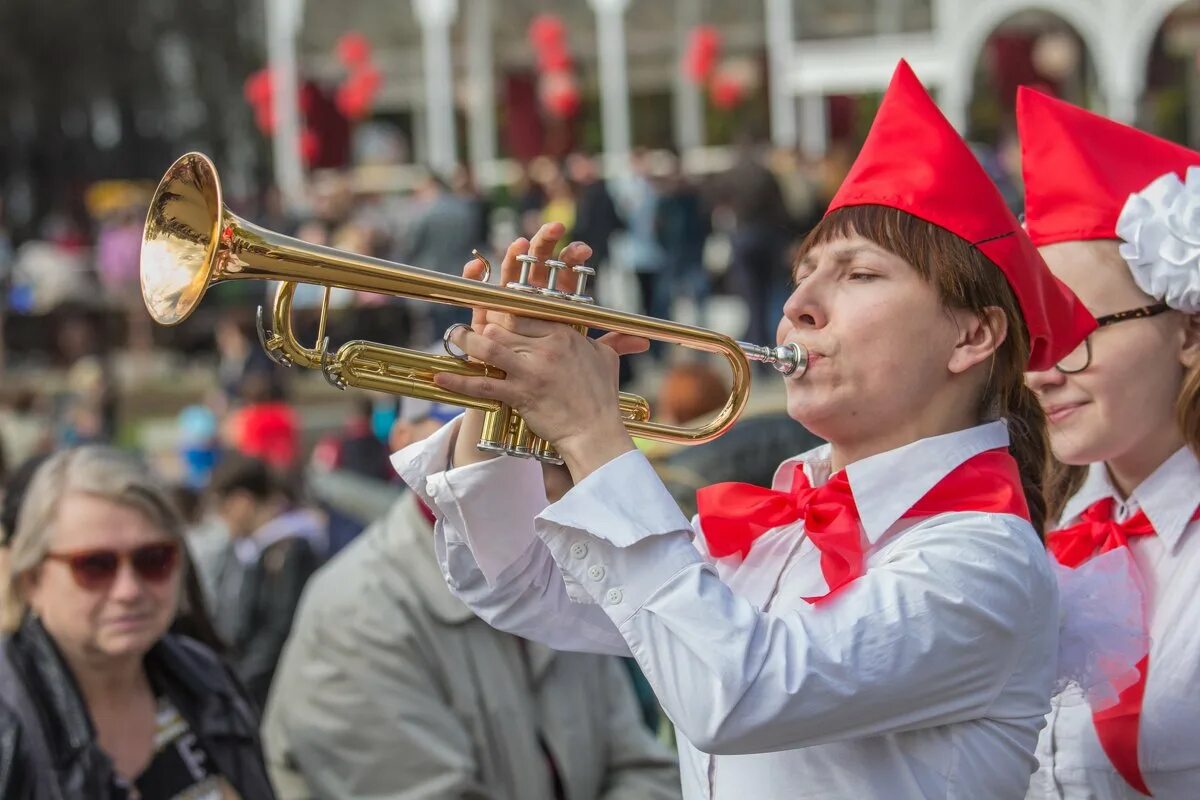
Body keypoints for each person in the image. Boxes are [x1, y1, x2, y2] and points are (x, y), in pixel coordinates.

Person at [394, 61, 1096, 799]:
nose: (798, 305)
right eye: (805, 271)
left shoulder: (983, 561)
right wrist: (499, 384)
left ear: (971, 336)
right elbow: (519, 584)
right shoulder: (777, 527)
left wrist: (593, 431)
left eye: (857, 275)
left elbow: (735, 692)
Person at [263, 411, 681, 800]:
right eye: (462, 423)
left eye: (521, 418)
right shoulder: (354, 609)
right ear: (405, 442)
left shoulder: (559, 562)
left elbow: (641, 764)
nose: (506, 446)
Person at [1018, 88, 1200, 799]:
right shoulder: (1044, 530)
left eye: (1080, 332)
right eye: (1035, 337)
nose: (1043, 371)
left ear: (1188, 330)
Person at [0, 446, 274, 798]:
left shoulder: (205, 678)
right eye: (95, 565)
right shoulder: (10, 725)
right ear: (32, 580)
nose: (129, 590)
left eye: (153, 559)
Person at [208, 457, 322, 710]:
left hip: (273, 692)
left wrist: (239, 685)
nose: (221, 519)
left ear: (242, 502)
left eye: (223, 509)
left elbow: (279, 628)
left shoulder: (290, 550)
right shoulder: (242, 550)